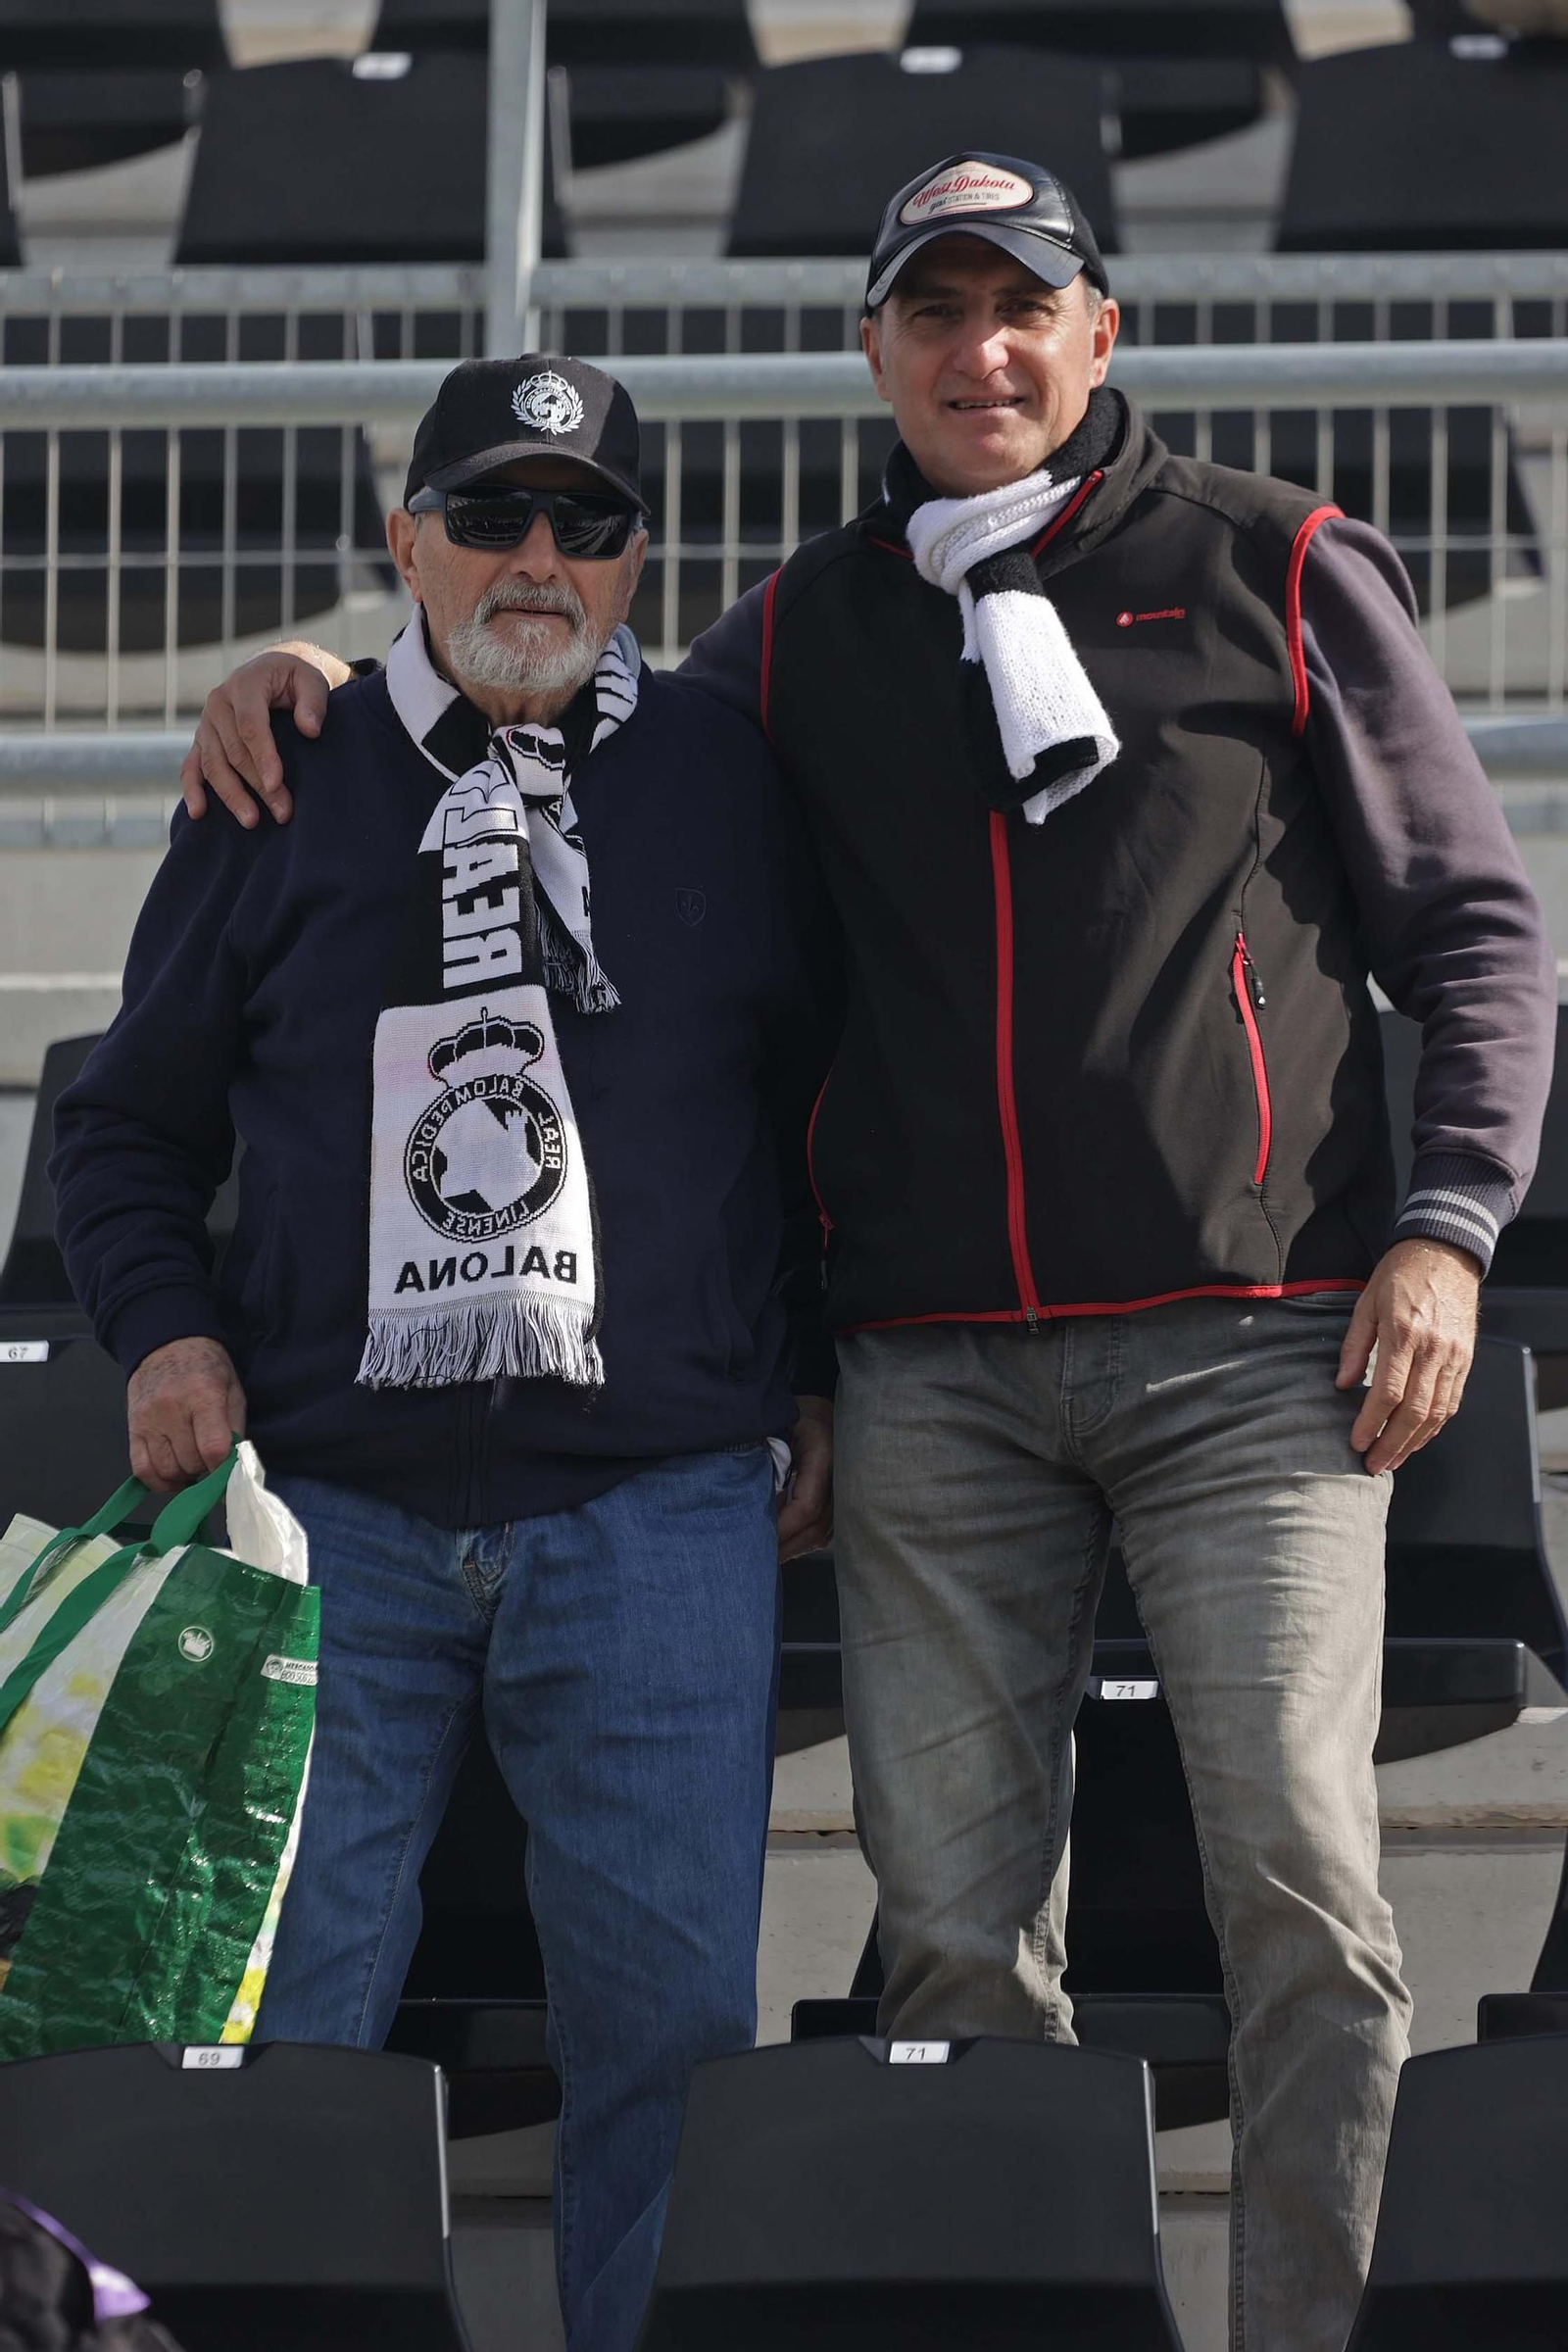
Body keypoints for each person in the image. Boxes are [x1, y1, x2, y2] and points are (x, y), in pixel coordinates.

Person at [179, 157, 1557, 2352]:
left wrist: (1447, 1229)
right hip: (934, 1379)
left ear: (1099, 335)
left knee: (1300, 1900)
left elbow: (1475, 929)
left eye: (1022, 308)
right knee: (943, 1943)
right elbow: (526, 686)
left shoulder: (1272, 559)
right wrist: (305, 682)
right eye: (932, 309)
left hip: (1254, 1350)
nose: (977, 349)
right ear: (872, 353)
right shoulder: (798, 637)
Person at [51, 354, 837, 2352]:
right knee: (278, 2026)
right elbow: (127, 1126)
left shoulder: (729, 776)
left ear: (639, 559)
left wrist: (807, 1373)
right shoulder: (282, 772)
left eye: (584, 523)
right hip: (334, 1519)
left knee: (669, 2042)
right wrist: (164, 1332)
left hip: (653, 1506)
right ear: (401, 541)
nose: (535, 560)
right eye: (487, 516)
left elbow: (819, 1104)